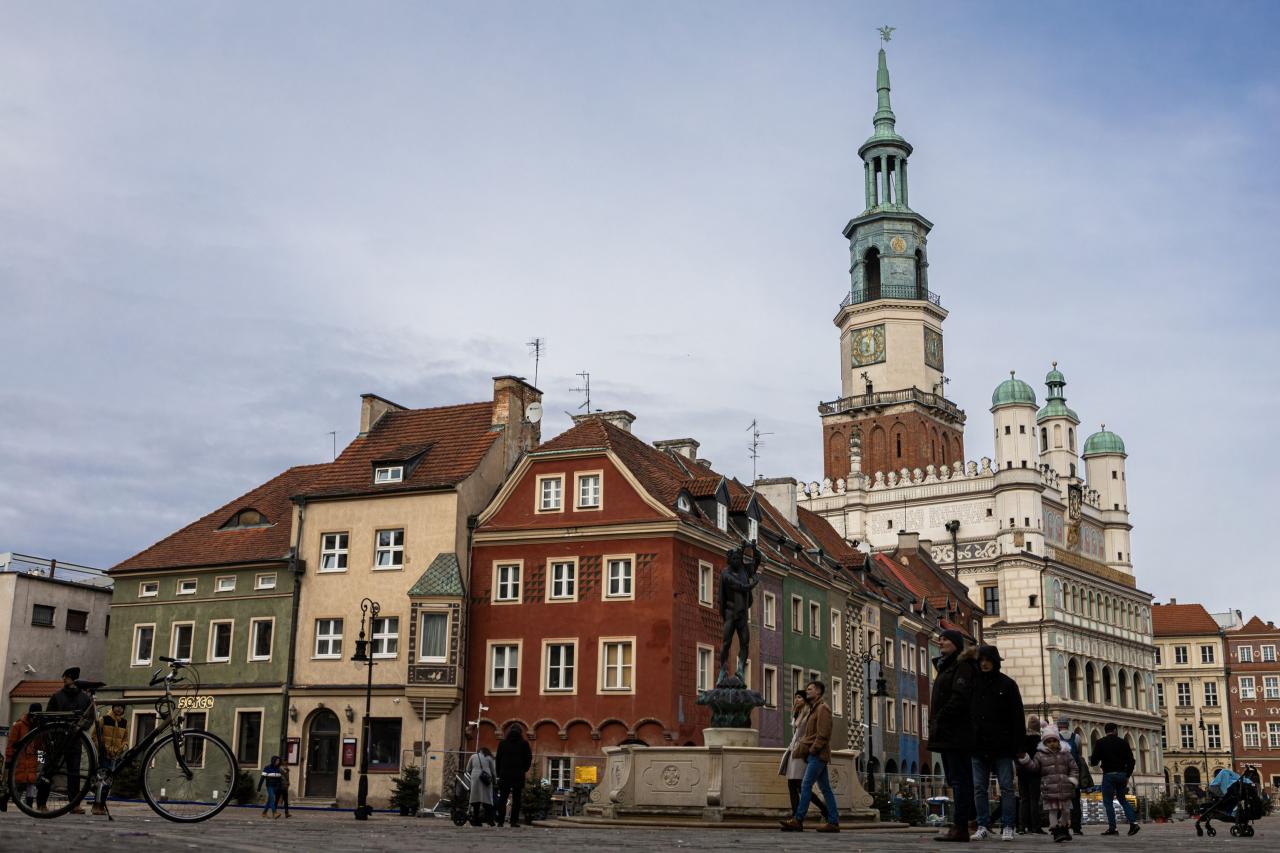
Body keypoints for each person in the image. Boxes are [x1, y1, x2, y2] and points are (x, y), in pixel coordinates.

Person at [969, 645, 1025, 841]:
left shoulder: (1008, 685)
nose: (984, 663)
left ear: (995, 662)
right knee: (979, 787)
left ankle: (1008, 825)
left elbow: (1017, 717)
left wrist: (1019, 746)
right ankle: (983, 824)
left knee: (1007, 787)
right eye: (981, 660)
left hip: (1002, 745)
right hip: (978, 744)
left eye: (988, 660)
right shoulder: (973, 684)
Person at [927, 629, 978, 843]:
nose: (941, 641)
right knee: (956, 779)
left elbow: (959, 698)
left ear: (956, 644)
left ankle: (961, 826)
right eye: (940, 638)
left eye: (945, 639)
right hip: (949, 732)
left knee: (959, 780)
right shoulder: (947, 667)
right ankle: (963, 823)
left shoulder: (962, 666)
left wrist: (941, 718)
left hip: (956, 732)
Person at [779, 680, 839, 833]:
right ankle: (833, 821)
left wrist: (812, 750)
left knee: (805, 785)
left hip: (818, 754)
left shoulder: (823, 709)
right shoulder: (815, 708)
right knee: (825, 788)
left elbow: (823, 734)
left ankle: (798, 820)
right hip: (815, 754)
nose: (807, 691)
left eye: (810, 689)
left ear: (818, 692)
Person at [41, 667, 93, 814]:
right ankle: (41, 802)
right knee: (49, 770)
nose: (64, 679)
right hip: (58, 739)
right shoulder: (57, 696)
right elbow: (49, 717)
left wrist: (81, 728)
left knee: (74, 773)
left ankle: (74, 804)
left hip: (75, 739)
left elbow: (89, 717)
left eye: (66, 677)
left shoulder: (84, 698)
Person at [1018, 727, 1078, 842]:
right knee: (1053, 811)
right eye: (1049, 741)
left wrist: (1072, 780)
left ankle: (1063, 827)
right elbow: (1034, 767)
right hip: (1049, 788)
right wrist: (1025, 760)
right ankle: (1056, 832)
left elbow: (1074, 767)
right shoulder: (1040, 755)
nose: (1052, 743)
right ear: (1045, 743)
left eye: (1054, 740)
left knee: (1066, 811)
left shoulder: (1066, 753)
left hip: (1065, 787)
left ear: (1058, 741)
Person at [1088, 723, 1139, 836]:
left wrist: (1091, 761)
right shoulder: (1123, 743)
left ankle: (1113, 828)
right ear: (1115, 730)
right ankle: (1134, 823)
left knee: (1108, 802)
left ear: (1106, 731)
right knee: (1123, 800)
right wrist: (1127, 775)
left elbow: (1094, 761)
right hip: (1121, 775)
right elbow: (1131, 761)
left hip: (1109, 775)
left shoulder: (1100, 743)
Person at [3, 704, 42, 811]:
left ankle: (28, 807)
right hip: (19, 760)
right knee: (17, 784)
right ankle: (4, 801)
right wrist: (9, 760)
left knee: (31, 784)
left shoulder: (38, 727)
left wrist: (40, 761)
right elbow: (11, 744)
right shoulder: (19, 725)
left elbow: (40, 746)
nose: (35, 718)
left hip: (31, 760)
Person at [93, 703, 129, 815]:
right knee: (101, 780)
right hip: (104, 754)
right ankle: (96, 805)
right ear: (113, 708)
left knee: (108, 782)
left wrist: (122, 748)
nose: (119, 708)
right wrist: (103, 747)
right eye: (117, 706)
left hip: (115, 756)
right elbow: (95, 736)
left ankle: (101, 805)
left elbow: (126, 739)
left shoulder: (124, 722)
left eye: (121, 707)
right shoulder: (104, 719)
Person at [495, 725, 532, 828]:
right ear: (520, 733)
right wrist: (523, 769)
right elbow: (528, 759)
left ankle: (500, 821)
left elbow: (498, 759)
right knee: (517, 799)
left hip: (504, 774)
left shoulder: (503, 743)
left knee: (502, 798)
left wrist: (499, 773)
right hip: (518, 774)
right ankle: (513, 821)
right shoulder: (524, 744)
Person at [1017, 716, 1047, 835]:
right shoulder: (1039, 741)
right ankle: (1035, 826)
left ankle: (1022, 827)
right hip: (1035, 773)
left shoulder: (1021, 739)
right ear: (1038, 727)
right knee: (1034, 800)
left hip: (1022, 772)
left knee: (1024, 799)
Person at [1055, 717, 1084, 834]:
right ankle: (1076, 828)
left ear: (1058, 725)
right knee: (1075, 801)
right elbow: (1079, 754)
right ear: (1068, 725)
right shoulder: (1076, 737)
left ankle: (1061, 826)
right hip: (1073, 774)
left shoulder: (1055, 738)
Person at [467, 747, 497, 826]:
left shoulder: (473, 756)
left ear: (479, 751)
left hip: (475, 778)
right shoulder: (489, 758)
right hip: (486, 779)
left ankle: (476, 819)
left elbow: (467, 769)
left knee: (475, 800)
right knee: (487, 799)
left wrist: (474, 773)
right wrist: (495, 781)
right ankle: (490, 820)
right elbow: (493, 771)